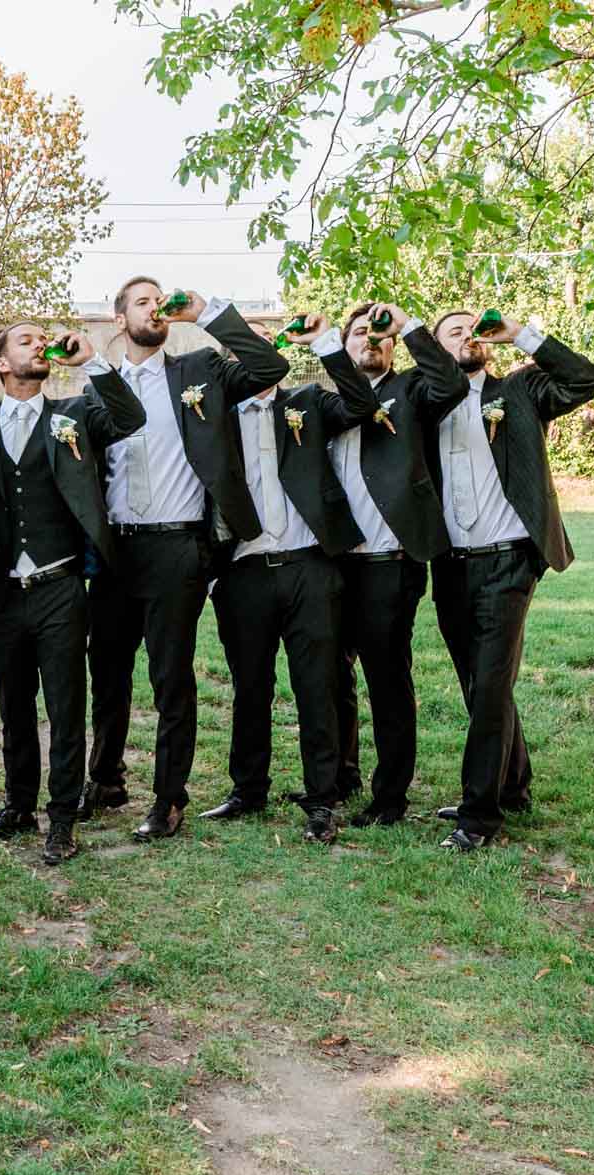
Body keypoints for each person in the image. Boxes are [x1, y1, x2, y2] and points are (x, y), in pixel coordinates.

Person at [86, 280, 289, 842]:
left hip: (177, 547)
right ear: (118, 315)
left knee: (170, 676)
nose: (155, 308)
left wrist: (211, 313)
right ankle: (105, 779)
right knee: (106, 670)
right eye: (141, 301)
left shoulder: (199, 369)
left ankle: (168, 799)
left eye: (160, 300)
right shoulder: (93, 388)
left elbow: (268, 365)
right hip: (114, 549)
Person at [0, 322, 146, 863]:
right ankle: (18, 806)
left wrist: (90, 362)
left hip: (61, 587)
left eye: (43, 339)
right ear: (0, 363)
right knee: (13, 705)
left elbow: (131, 418)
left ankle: (61, 819)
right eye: (26, 340)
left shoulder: (76, 415)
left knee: (66, 707)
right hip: (2, 592)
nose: (40, 345)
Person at [427, 309, 594, 850]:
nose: (467, 336)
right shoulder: (424, 404)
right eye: (453, 332)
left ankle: (479, 817)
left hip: (508, 561)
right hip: (451, 565)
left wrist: (521, 335)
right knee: (480, 685)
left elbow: (584, 380)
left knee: (492, 683)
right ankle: (513, 785)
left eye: (473, 328)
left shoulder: (521, 391)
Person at [200, 316, 378, 844]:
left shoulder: (309, 402)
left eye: (261, 337)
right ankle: (247, 789)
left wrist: (326, 344)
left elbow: (362, 405)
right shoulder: (212, 418)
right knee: (249, 686)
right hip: (243, 571)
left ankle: (321, 799)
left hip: (309, 567)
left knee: (316, 686)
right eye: (240, 342)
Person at [329, 302, 469, 827]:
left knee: (387, 680)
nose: (372, 341)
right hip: (333, 564)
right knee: (331, 677)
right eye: (361, 333)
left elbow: (451, 383)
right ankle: (339, 777)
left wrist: (407, 325)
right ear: (340, 346)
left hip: (389, 562)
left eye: (380, 335)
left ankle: (389, 797)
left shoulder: (411, 392)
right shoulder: (326, 404)